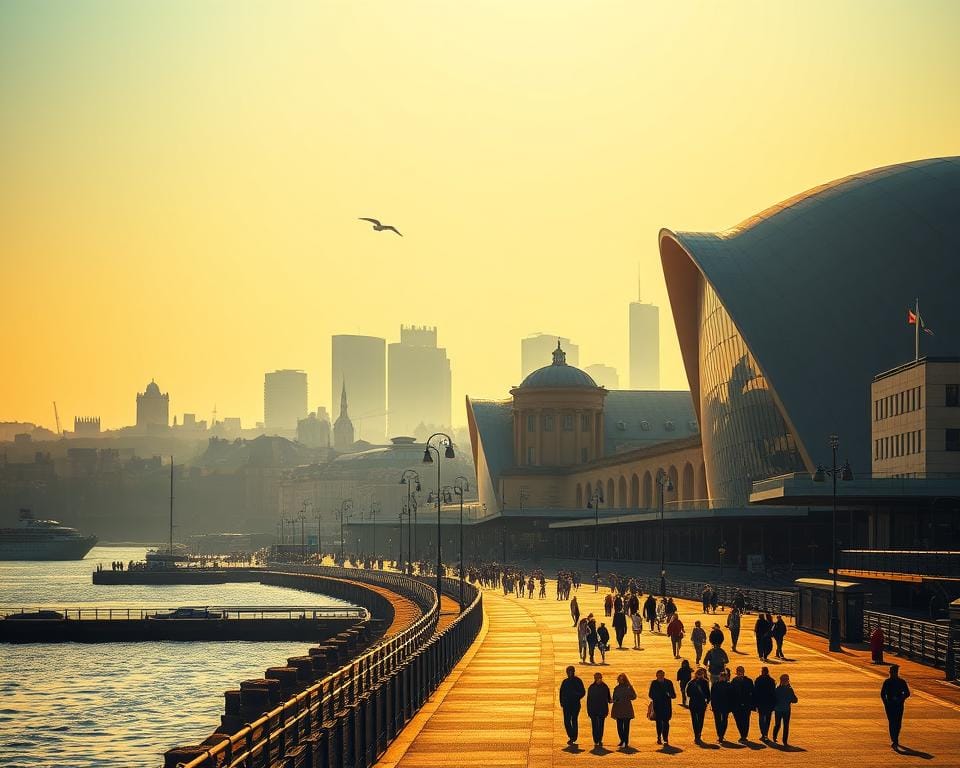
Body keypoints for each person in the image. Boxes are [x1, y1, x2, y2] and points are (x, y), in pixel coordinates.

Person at [880, 664, 910, 749]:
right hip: (890, 705)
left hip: (899, 705)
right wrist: (885, 703)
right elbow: (882, 694)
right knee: (892, 722)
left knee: (898, 723)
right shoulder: (887, 682)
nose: (892, 674)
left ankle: (895, 738)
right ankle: (894, 739)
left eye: (893, 672)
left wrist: (901, 698)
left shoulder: (901, 682)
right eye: (891, 672)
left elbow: (907, 693)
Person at [648, 669, 676, 746]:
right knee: (658, 722)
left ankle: (665, 738)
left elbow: (674, 695)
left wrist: (669, 694)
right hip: (657, 706)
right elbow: (650, 694)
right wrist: (657, 697)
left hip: (667, 706)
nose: (660, 677)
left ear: (664, 675)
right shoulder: (654, 683)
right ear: (656, 676)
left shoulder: (669, 683)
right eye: (659, 675)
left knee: (666, 722)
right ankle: (659, 737)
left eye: (662, 675)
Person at [559, 665, 586, 745]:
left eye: (571, 671)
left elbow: (583, 692)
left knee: (574, 720)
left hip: (575, 704)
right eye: (568, 672)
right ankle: (571, 735)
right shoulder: (565, 682)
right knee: (567, 721)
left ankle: (574, 737)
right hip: (566, 705)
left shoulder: (578, 681)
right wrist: (561, 702)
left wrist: (576, 696)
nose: (570, 673)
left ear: (573, 672)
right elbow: (561, 692)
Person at [611, 672, 637, 748]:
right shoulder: (616, 688)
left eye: (622, 679)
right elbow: (614, 697)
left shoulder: (629, 687)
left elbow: (634, 696)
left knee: (626, 726)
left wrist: (628, 697)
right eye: (619, 679)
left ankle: (626, 741)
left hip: (627, 708)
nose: (620, 680)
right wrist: (614, 700)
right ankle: (622, 739)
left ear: (625, 680)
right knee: (619, 726)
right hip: (618, 708)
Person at [729, 666, 755, 742]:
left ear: (743, 672)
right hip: (737, 705)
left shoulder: (748, 681)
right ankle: (742, 734)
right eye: (738, 671)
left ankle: (744, 735)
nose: (739, 672)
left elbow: (752, 693)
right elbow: (731, 694)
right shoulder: (734, 681)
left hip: (746, 704)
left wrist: (752, 704)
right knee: (739, 720)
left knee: (746, 720)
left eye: (741, 671)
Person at [685, 668, 711, 744]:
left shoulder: (692, 682)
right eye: (699, 674)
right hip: (699, 703)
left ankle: (697, 733)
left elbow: (688, 693)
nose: (700, 675)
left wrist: (707, 700)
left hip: (695, 703)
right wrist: (707, 700)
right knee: (699, 719)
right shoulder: (704, 682)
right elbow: (708, 694)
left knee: (697, 720)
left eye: (701, 674)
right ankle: (698, 733)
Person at [586, 671, 611, 747]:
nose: (599, 679)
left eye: (600, 678)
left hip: (602, 709)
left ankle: (599, 739)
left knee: (601, 725)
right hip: (593, 710)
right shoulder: (591, 687)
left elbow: (609, 698)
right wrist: (589, 711)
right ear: (595, 678)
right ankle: (596, 739)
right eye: (597, 678)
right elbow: (588, 700)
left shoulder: (605, 687)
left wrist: (613, 701)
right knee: (594, 725)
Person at [772, 673, 798, 745]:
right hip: (786, 710)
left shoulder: (777, 689)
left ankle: (774, 736)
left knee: (777, 724)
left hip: (778, 709)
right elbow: (795, 700)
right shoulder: (789, 690)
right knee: (786, 726)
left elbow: (774, 699)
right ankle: (785, 741)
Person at [754, 666, 776, 742]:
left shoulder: (758, 680)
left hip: (761, 702)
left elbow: (755, 693)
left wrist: (755, 704)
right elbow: (773, 693)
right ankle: (765, 733)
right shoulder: (771, 681)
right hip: (769, 703)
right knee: (767, 719)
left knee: (761, 718)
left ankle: (763, 734)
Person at [710, 669, 732, 743]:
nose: (722, 678)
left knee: (719, 720)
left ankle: (720, 735)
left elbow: (712, 695)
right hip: (723, 705)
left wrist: (712, 704)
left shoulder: (716, 684)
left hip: (719, 705)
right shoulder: (728, 685)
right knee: (722, 720)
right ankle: (721, 735)